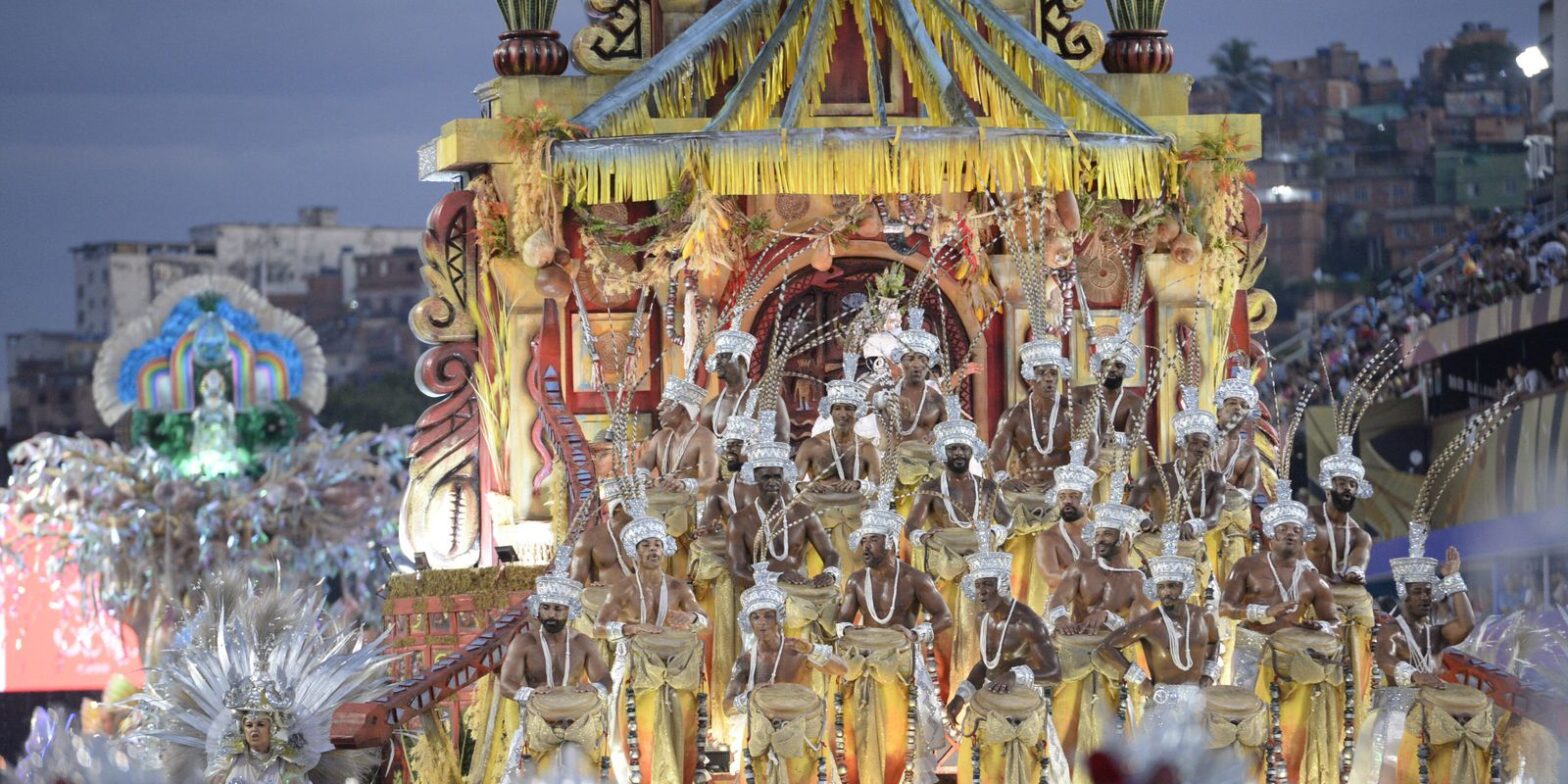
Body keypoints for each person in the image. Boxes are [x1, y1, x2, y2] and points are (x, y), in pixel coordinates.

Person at [1220, 479, 1342, 784]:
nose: (1291, 534)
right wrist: (1262, 613)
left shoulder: (1314, 580)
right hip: (1252, 648)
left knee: (1289, 724)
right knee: (1246, 721)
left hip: (1293, 657)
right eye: (1285, 529)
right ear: (1270, 535)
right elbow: (1224, 608)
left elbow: (1336, 623)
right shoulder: (1246, 566)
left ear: (1303, 539)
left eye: (1297, 531)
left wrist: (1320, 626)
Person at [834, 491, 952, 784]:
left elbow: (944, 617)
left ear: (888, 542)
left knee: (904, 731)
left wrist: (915, 633)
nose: (865, 547)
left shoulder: (915, 578)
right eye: (863, 541)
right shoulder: (857, 580)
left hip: (903, 662)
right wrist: (850, 631)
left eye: (872, 540)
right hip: (866, 664)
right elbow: (842, 622)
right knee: (865, 729)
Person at [1046, 469, 1148, 781]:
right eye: (1099, 533)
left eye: (1108, 534)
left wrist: (1109, 617)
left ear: (1125, 538)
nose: (1100, 539)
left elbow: (1141, 625)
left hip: (1114, 660)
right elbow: (1057, 600)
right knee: (1066, 725)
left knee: (1112, 730)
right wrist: (1062, 619)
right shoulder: (1081, 567)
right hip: (1073, 658)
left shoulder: (1137, 579)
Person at [908, 396, 1012, 696]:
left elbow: (1007, 521)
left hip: (981, 571)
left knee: (983, 630)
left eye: (963, 448)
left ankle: (978, 692)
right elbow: (912, 526)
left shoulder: (988, 487)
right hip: (946, 570)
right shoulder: (930, 488)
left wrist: (994, 533)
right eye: (952, 448)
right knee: (948, 635)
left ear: (971, 452)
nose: (958, 453)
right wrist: (922, 538)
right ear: (943, 452)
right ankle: (948, 695)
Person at [596, 512, 709, 784]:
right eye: (646, 545)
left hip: (675, 665)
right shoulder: (623, 588)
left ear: (665, 549)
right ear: (635, 553)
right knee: (634, 730)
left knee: (681, 726)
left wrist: (690, 617)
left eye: (657, 544)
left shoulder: (679, 587)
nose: (653, 550)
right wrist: (631, 628)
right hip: (635, 665)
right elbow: (599, 627)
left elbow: (704, 619)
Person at [943, 546, 1066, 784]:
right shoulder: (983, 618)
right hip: (989, 704)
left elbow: (1054, 673)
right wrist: (961, 696)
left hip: (1023, 706)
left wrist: (1015, 676)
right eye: (978, 585)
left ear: (1002, 584)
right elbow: (985, 664)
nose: (981, 592)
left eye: (987, 584)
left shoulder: (1027, 622)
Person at [990, 333, 1092, 611]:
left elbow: (1090, 451)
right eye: (1041, 373)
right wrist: (1003, 480)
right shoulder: (1015, 416)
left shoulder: (1075, 413)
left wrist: (1068, 481)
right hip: (1025, 492)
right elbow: (996, 455)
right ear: (1029, 377)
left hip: (1062, 494)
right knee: (1003, 518)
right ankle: (1018, 605)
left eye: (1053, 372)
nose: (1049, 378)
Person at [1094, 523, 1221, 734]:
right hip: (1162, 704)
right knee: (1157, 764)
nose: (1166, 592)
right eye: (1161, 587)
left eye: (1172, 586)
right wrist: (1139, 679)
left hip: (1197, 703)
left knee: (1195, 763)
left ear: (1185, 587)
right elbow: (1106, 648)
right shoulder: (1150, 622)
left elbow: (1214, 641)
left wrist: (1209, 673)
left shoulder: (1203, 616)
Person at [726, 566, 847, 784]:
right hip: (760, 738)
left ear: (779, 619)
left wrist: (812, 650)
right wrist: (751, 695)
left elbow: (842, 670)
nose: (762, 622)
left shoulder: (796, 649)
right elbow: (727, 707)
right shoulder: (746, 660)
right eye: (756, 617)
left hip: (801, 738)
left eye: (768, 616)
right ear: (749, 622)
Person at [499, 552, 613, 784]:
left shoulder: (583, 642)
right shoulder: (525, 643)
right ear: (537, 609)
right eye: (547, 608)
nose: (551, 614)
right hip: (539, 723)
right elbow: (506, 684)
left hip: (578, 723)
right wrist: (530, 692)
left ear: (569, 610)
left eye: (558, 608)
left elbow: (605, 681)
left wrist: (595, 688)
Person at [727, 441, 841, 642]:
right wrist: (776, 578)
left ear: (784, 478)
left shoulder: (803, 513)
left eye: (777, 477)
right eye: (766, 477)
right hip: (762, 600)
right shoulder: (740, 521)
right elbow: (737, 571)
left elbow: (830, 553)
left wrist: (830, 573)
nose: (773, 482)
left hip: (800, 596)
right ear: (755, 478)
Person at [794, 353, 880, 577]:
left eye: (849, 408)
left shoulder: (866, 448)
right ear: (830, 411)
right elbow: (792, 484)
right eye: (838, 408)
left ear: (857, 412)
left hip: (855, 517)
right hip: (819, 516)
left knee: (854, 576)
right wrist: (808, 487)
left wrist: (858, 485)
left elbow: (878, 489)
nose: (843, 414)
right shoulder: (812, 445)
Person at [865, 307, 947, 517]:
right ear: (900, 362)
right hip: (891, 464)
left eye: (922, 358)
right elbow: (858, 411)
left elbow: (946, 432)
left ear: (929, 363)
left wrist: (935, 436)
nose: (916, 364)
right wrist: (883, 401)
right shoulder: (883, 389)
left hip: (927, 466)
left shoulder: (935, 399)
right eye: (910, 358)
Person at [636, 376, 719, 577]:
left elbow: (710, 481)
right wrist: (644, 476)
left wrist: (683, 484)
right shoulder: (661, 437)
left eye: (665, 406)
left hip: (693, 512)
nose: (658, 409)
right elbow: (643, 463)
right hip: (659, 511)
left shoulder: (705, 437)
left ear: (681, 409)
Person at [701, 321, 791, 443]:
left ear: (741, 360)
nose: (717, 362)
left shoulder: (767, 399)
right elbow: (705, 448)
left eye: (724, 356)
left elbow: (782, 438)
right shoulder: (711, 408)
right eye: (717, 357)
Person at [1033, 441, 1097, 603]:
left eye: (1074, 496)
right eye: (1062, 497)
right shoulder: (1048, 538)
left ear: (1088, 503)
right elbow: (1052, 578)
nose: (1067, 501)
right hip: (1063, 609)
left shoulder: (1103, 534)